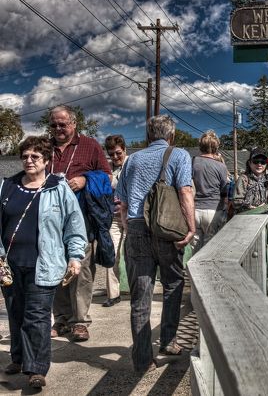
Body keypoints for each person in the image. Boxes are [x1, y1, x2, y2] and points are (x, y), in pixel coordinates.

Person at [0, 136, 86, 388]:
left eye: (35, 156)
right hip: (10, 265)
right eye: (25, 156)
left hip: (44, 263)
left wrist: (75, 256)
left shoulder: (58, 188)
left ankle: (36, 369)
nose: (29, 160)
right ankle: (18, 358)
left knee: (36, 317)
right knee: (16, 313)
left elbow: (74, 224)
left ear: (46, 160)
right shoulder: (7, 186)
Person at [116, 115, 195, 373]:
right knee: (173, 284)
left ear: (149, 135)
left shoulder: (133, 160)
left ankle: (141, 359)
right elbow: (184, 192)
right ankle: (169, 341)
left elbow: (123, 203)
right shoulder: (179, 154)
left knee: (141, 295)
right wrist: (191, 226)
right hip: (167, 230)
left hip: (137, 227)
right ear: (171, 135)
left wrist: (129, 225)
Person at [49, 105, 111, 342]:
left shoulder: (90, 145)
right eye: (54, 124)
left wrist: (86, 179)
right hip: (51, 218)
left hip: (81, 218)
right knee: (55, 267)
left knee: (82, 268)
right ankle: (62, 319)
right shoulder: (46, 147)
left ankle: (81, 321)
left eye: (62, 124)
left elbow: (107, 176)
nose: (58, 129)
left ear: (73, 124)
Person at [192, 130, 229, 251]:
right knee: (209, 250)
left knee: (194, 249)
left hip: (194, 210)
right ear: (216, 147)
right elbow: (224, 190)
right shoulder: (221, 166)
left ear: (200, 146)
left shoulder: (192, 162)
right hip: (213, 210)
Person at [103, 135, 128, 307]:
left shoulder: (132, 165)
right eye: (111, 154)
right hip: (113, 218)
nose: (115, 157)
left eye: (118, 153)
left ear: (124, 149)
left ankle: (137, 290)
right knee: (112, 256)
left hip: (131, 217)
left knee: (132, 255)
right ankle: (113, 294)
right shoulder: (107, 169)